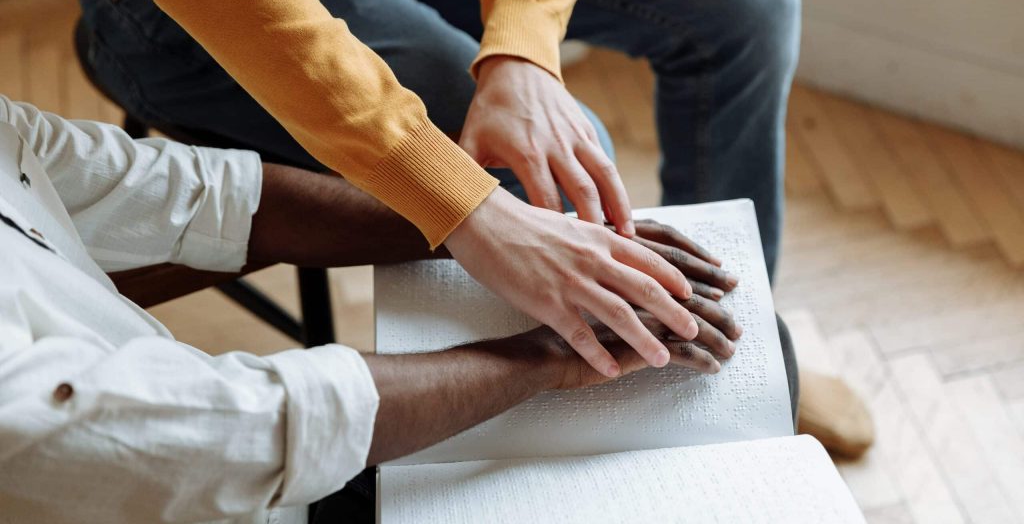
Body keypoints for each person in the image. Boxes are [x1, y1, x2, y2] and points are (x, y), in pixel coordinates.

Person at [0, 96, 799, 522]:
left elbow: (210, 199)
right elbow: (219, 437)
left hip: (243, 448)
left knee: (769, 355)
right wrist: (544, 359)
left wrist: (493, 228)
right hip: (245, 492)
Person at [62, 0, 799, 379]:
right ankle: (608, 415)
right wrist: (467, 207)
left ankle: (740, 353)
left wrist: (524, 47)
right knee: (543, 179)